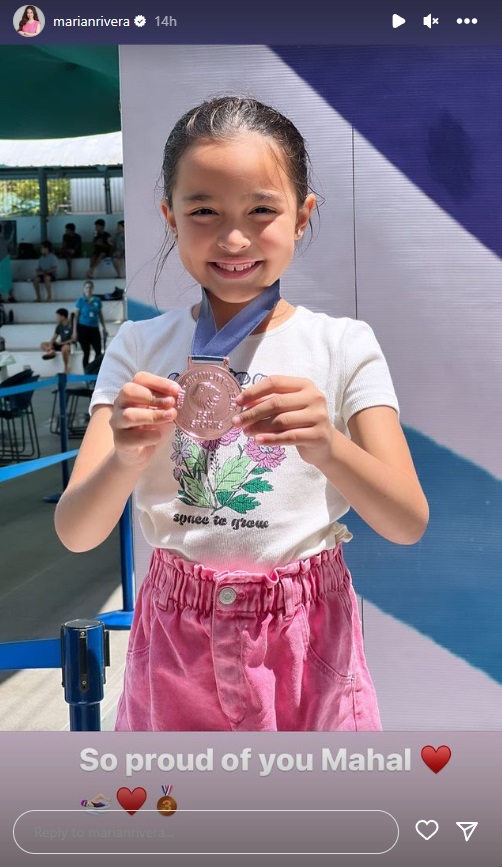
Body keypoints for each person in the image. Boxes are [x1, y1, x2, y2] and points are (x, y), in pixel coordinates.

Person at [55, 96, 429, 733]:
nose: (233, 239)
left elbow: (407, 521)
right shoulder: (138, 348)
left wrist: (328, 446)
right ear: (169, 216)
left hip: (308, 640)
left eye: (262, 210)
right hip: (175, 641)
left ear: (302, 216)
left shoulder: (343, 345)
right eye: (203, 211)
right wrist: (124, 458)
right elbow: (76, 532)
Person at [71, 280, 107, 370]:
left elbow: (100, 315)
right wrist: (74, 332)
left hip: (94, 328)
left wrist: (104, 327)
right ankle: (86, 372)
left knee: (98, 351)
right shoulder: (80, 301)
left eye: (90, 287)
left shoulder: (97, 300)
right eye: (87, 287)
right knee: (86, 351)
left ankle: (96, 371)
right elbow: (75, 317)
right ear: (84, 289)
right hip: (83, 328)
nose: (88, 289)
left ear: (93, 289)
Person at [40, 308, 73, 374]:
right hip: (60, 343)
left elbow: (73, 339)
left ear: (62, 317)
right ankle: (51, 351)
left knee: (64, 349)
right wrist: (50, 346)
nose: (56, 318)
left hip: (69, 344)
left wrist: (62, 343)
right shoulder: (59, 326)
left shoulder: (71, 325)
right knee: (43, 344)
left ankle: (66, 367)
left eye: (57, 316)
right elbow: (54, 338)